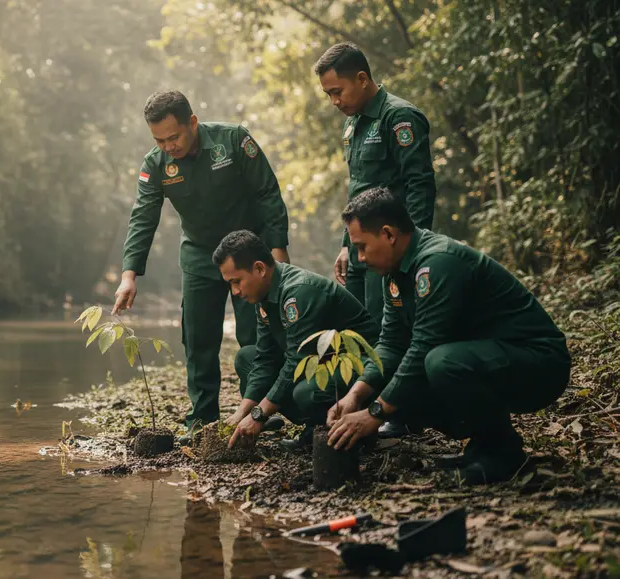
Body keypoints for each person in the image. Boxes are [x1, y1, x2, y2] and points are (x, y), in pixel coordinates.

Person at [326, 188, 571, 485]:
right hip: (491, 360)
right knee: (415, 379)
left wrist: (375, 414)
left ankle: (503, 454)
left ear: (389, 234)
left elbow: (423, 346)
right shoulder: (395, 273)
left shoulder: (437, 261)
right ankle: (483, 446)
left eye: (363, 247)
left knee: (440, 363)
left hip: (540, 363)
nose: (361, 258)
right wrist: (355, 397)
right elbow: (391, 345)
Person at [114, 90, 291, 431]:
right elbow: (143, 218)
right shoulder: (156, 164)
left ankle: (257, 413)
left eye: (174, 137)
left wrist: (278, 252)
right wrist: (129, 274)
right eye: (159, 140)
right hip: (199, 257)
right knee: (198, 341)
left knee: (256, 337)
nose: (169, 146)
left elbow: (267, 193)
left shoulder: (234, 140)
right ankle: (202, 418)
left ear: (192, 122)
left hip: (248, 256)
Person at [315, 41, 438, 439]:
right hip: (359, 246)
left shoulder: (398, 117)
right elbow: (359, 191)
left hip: (391, 248)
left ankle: (402, 414)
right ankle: (362, 406)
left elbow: (419, 185)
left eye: (338, 91)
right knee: (362, 329)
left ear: (363, 79)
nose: (334, 101)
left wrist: (413, 250)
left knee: (395, 326)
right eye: (328, 94)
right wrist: (344, 245)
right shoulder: (354, 122)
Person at [209, 230, 379, 451]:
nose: (235, 291)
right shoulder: (263, 296)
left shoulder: (299, 292)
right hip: (321, 363)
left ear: (260, 269)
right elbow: (265, 359)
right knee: (246, 358)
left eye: (237, 281)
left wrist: (258, 415)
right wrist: (242, 413)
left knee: (306, 392)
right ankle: (314, 422)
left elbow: (297, 361)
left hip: (360, 370)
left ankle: (336, 429)